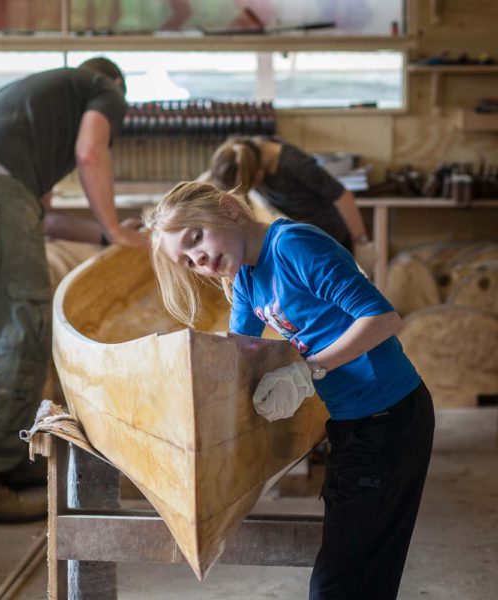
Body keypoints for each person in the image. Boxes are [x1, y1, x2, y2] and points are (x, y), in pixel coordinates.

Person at [146, 181, 435, 600]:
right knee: (358, 571)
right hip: (352, 423)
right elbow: (237, 355)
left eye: (196, 238)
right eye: (189, 262)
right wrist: (176, 384)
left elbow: (383, 319)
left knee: (341, 581)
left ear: (229, 209)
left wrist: (306, 372)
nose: (201, 259)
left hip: (391, 418)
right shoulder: (245, 278)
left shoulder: (292, 246)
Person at [0, 57, 147, 526]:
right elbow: (92, 153)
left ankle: (3, 460)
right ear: (114, 85)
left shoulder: (33, 113)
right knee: (18, 332)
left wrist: (106, 237)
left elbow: (42, 218)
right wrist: (117, 228)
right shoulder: (102, 88)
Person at [208, 135, 378, 275]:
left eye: (254, 184)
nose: (257, 188)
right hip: (306, 241)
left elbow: (342, 196)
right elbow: (215, 177)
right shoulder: (243, 154)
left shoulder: (293, 164)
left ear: (258, 172)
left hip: (332, 239)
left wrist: (361, 242)